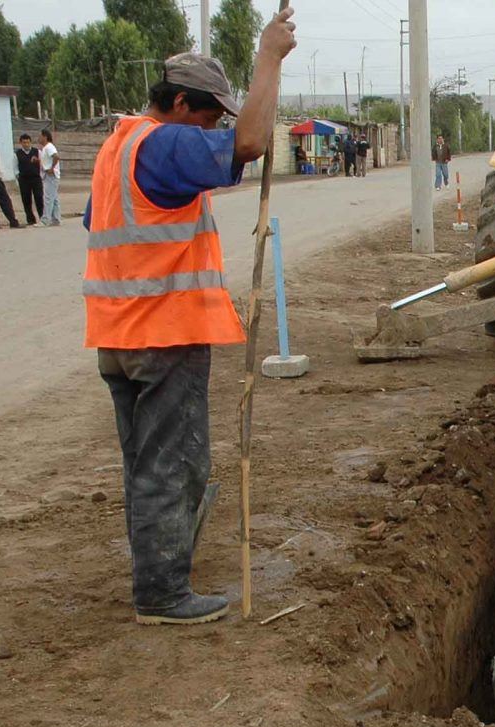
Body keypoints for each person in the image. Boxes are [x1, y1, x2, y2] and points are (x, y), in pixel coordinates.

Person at [82, 12, 297, 625]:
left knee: (149, 462)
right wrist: (268, 58)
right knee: (173, 463)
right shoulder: (164, 143)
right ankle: (162, 592)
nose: (211, 131)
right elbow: (248, 146)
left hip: (119, 333)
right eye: (207, 117)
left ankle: (163, 566)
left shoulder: (116, 149)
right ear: (178, 103)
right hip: (162, 333)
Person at [14, 133, 44, 225]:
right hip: (24, 180)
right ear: (21, 143)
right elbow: (15, 168)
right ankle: (30, 219)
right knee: (26, 200)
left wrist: (41, 177)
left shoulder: (37, 152)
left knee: (39, 198)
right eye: (24, 142)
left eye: (27, 142)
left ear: (30, 142)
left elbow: (42, 164)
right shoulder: (17, 154)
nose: (26, 144)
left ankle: (42, 217)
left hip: (36, 178)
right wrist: (18, 178)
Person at [39, 128, 62, 226]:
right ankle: (56, 219)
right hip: (49, 175)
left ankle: (45, 220)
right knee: (54, 198)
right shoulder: (45, 148)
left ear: (45, 137)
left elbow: (56, 156)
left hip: (51, 176)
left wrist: (52, 168)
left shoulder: (49, 147)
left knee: (48, 198)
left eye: (40, 136)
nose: (39, 138)